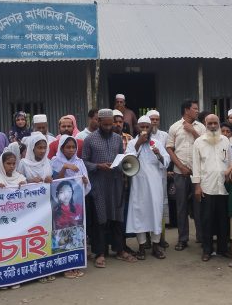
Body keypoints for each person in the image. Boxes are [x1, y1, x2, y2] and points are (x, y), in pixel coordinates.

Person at [82, 109, 134, 267]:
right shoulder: (89, 140)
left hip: (115, 183)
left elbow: (121, 158)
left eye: (110, 124)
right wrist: (98, 166)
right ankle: (100, 253)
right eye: (105, 125)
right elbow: (84, 162)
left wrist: (121, 164)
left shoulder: (117, 139)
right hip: (98, 184)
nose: (108, 127)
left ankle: (119, 250)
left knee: (117, 216)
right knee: (100, 218)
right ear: (98, 122)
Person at [124, 116, 169, 260]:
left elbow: (166, 161)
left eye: (146, 127)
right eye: (141, 127)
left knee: (155, 213)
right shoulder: (132, 142)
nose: (144, 129)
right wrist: (138, 143)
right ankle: (142, 247)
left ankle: (156, 246)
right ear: (137, 127)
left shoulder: (156, 143)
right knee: (139, 214)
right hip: (138, 185)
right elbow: (127, 162)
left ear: (151, 128)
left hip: (155, 185)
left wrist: (158, 154)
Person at [166, 100, 206, 252]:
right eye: (195, 108)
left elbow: (205, 145)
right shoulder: (174, 127)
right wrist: (181, 167)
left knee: (199, 206)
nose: (197, 111)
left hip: (198, 173)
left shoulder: (201, 127)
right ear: (187, 110)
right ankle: (183, 239)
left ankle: (201, 237)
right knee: (181, 206)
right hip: (180, 172)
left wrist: (193, 131)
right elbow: (169, 148)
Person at [192, 114, 232, 262]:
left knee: (223, 219)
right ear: (205, 124)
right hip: (206, 187)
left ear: (219, 124)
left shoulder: (225, 140)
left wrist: (230, 179)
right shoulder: (199, 142)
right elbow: (196, 165)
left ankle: (223, 249)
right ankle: (207, 250)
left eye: (215, 123)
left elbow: (230, 162)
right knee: (207, 220)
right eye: (210, 123)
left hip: (223, 187)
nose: (213, 126)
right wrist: (197, 186)